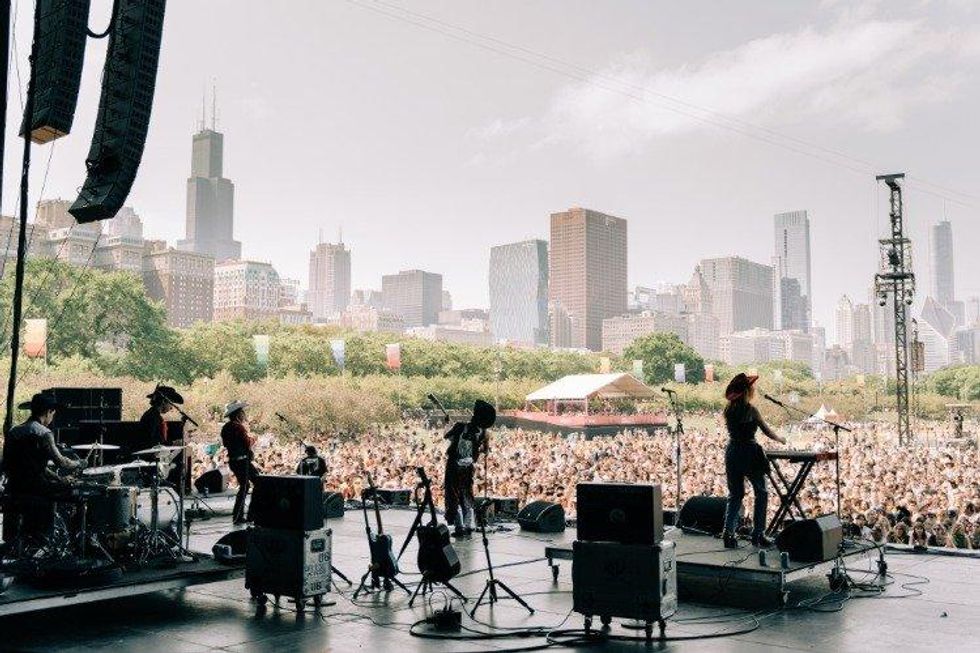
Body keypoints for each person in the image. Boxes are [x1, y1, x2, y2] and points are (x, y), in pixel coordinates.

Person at [720, 373, 786, 549]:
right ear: (747, 390)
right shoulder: (751, 410)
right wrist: (780, 439)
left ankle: (728, 533)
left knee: (735, 494)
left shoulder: (728, 409)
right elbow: (766, 431)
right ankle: (758, 534)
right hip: (749, 452)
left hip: (733, 452)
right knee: (761, 492)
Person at [2, 393, 87, 497]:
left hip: (13, 487)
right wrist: (79, 463)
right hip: (37, 488)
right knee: (77, 490)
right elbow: (61, 462)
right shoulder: (44, 433)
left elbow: (32, 466)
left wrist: (59, 478)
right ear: (48, 412)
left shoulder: (13, 431)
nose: (51, 418)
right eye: (52, 414)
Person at [444, 400, 495, 538]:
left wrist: (447, 424)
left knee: (452, 495)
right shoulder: (484, 433)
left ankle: (459, 525)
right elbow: (485, 451)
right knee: (466, 494)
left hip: (454, 466)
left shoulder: (460, 426)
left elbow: (447, 436)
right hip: (468, 468)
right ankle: (469, 525)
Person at [221, 400, 258, 525]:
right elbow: (246, 442)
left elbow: (227, 443)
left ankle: (239, 515)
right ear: (237, 415)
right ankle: (249, 515)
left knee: (245, 486)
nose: (244, 415)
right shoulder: (238, 427)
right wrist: (253, 439)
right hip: (242, 460)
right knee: (257, 483)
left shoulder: (225, 427)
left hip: (234, 461)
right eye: (242, 413)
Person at [138, 385, 183, 451]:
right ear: (164, 401)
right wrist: (173, 443)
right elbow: (153, 442)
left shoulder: (154, 415)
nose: (171, 408)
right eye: (171, 403)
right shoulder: (152, 417)